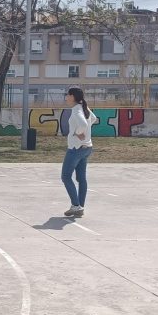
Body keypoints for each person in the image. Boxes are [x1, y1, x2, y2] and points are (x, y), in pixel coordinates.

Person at [62, 87, 98, 218]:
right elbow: (93, 118)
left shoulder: (77, 110)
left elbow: (83, 124)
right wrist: (85, 133)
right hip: (87, 148)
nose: (66, 97)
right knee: (81, 178)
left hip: (76, 149)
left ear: (72, 97)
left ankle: (76, 205)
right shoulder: (83, 107)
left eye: (67, 95)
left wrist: (78, 133)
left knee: (65, 176)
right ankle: (80, 207)